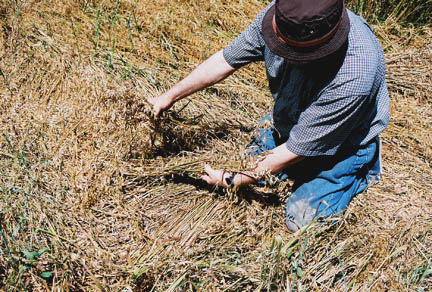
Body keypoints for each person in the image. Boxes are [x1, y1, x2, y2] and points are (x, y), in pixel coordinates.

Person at [147, 0, 389, 232]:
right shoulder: (283, 17)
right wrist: (169, 96)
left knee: (301, 218)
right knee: (257, 166)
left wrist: (233, 178)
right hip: (293, 119)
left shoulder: (355, 73)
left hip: (344, 143)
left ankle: (357, 170)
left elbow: (296, 149)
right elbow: (225, 60)